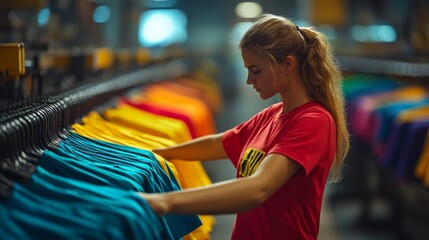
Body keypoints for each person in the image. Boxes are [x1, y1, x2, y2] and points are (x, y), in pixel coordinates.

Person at [139, 13, 350, 240]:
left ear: (288, 64)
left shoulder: (313, 121)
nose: (250, 80)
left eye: (256, 70)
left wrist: (164, 202)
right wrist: (156, 154)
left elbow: (258, 188)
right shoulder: (272, 115)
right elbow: (218, 143)